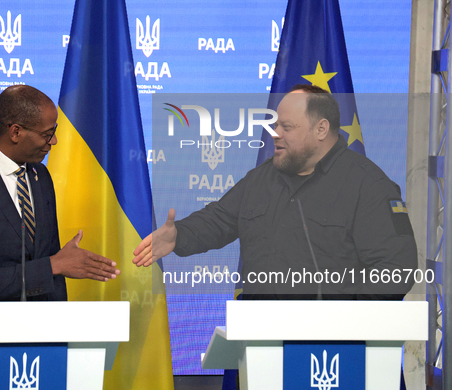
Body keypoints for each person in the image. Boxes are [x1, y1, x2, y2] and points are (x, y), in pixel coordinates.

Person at [133, 85, 417, 299]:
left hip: (334, 352)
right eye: (275, 124)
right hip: (260, 345)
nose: (274, 132)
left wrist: (332, 310)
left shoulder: (369, 186)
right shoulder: (262, 178)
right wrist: (179, 234)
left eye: (287, 127)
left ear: (321, 129)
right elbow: (218, 220)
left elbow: (396, 270)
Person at [0, 85, 119, 302]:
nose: (53, 141)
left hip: (43, 330)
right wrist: (54, 264)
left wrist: (59, 331)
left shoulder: (40, 175)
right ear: (16, 132)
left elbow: (52, 271)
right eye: (47, 134)